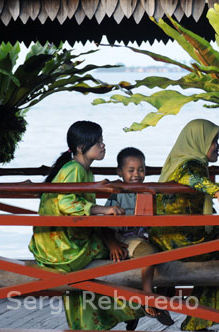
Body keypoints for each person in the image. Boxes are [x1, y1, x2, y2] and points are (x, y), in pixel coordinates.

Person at [28, 121, 143, 330]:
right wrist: (104, 209)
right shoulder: (74, 168)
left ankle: (98, 321)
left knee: (98, 265)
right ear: (81, 148)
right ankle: (131, 306)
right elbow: (65, 202)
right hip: (61, 247)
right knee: (118, 252)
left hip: (58, 241)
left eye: (102, 141)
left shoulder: (83, 170)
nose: (103, 146)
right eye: (98, 142)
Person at [150, 119, 219, 332]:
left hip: (178, 236)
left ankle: (213, 322)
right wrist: (218, 191)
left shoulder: (184, 160)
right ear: (199, 141)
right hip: (180, 240)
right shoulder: (189, 164)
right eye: (213, 141)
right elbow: (189, 178)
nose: (218, 147)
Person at [105, 147, 174, 328]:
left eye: (141, 169)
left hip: (147, 236)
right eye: (131, 170)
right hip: (127, 239)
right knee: (149, 253)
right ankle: (147, 296)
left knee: (171, 254)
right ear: (120, 172)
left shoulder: (148, 191)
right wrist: (112, 243)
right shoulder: (117, 194)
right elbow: (104, 224)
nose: (137, 174)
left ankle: (162, 301)